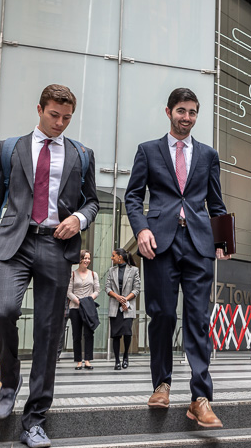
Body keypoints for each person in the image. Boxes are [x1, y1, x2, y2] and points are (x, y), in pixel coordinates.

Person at [0, 84, 99, 448]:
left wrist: (79, 220)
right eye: (54, 115)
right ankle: (9, 381)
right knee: (4, 311)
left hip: (56, 245)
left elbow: (93, 203)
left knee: (48, 333)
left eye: (67, 118)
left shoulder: (81, 154)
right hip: (14, 243)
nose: (60, 123)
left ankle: (35, 418)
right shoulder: (10, 149)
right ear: (39, 109)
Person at [124, 87, 230, 428]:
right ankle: (162, 384)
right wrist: (141, 229)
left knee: (198, 320)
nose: (187, 117)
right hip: (159, 242)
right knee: (163, 315)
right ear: (168, 111)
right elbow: (132, 197)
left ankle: (200, 398)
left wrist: (223, 241)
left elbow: (216, 203)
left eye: (193, 112)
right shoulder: (148, 151)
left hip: (198, 243)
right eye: (181, 111)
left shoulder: (208, 154)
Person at [106, 248, 141, 370]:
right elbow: (107, 288)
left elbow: (137, 289)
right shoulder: (111, 270)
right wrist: (117, 297)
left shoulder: (134, 270)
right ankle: (116, 360)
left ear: (120, 257)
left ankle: (126, 356)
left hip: (128, 307)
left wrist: (125, 299)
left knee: (127, 333)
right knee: (115, 335)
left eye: (113, 255)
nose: (112, 258)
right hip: (115, 307)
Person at [67, 250, 100, 370]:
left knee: (88, 334)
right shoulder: (73, 274)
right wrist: (79, 301)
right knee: (76, 335)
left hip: (88, 308)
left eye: (88, 258)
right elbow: (69, 292)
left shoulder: (93, 274)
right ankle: (78, 361)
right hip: (75, 308)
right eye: (85, 258)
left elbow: (97, 290)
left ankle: (87, 360)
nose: (87, 261)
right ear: (79, 259)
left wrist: (88, 300)